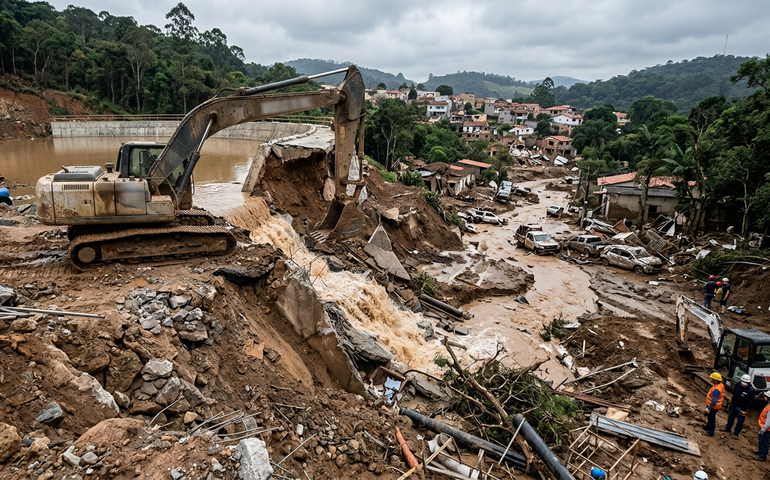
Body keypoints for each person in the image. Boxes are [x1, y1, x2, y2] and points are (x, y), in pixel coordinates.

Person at [704, 372, 724, 436]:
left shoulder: (716, 390)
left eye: (712, 379)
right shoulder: (720, 385)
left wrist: (709, 408)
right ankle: (707, 426)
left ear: (715, 380)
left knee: (711, 418)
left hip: (713, 406)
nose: (711, 380)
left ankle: (710, 431)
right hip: (713, 405)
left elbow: (715, 399)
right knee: (709, 417)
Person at [758, 390, 770, 461]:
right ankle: (761, 452)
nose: (764, 397)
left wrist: (764, 429)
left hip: (765, 429)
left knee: (764, 442)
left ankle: (763, 455)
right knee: (761, 440)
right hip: (763, 427)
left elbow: (768, 422)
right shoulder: (768, 405)